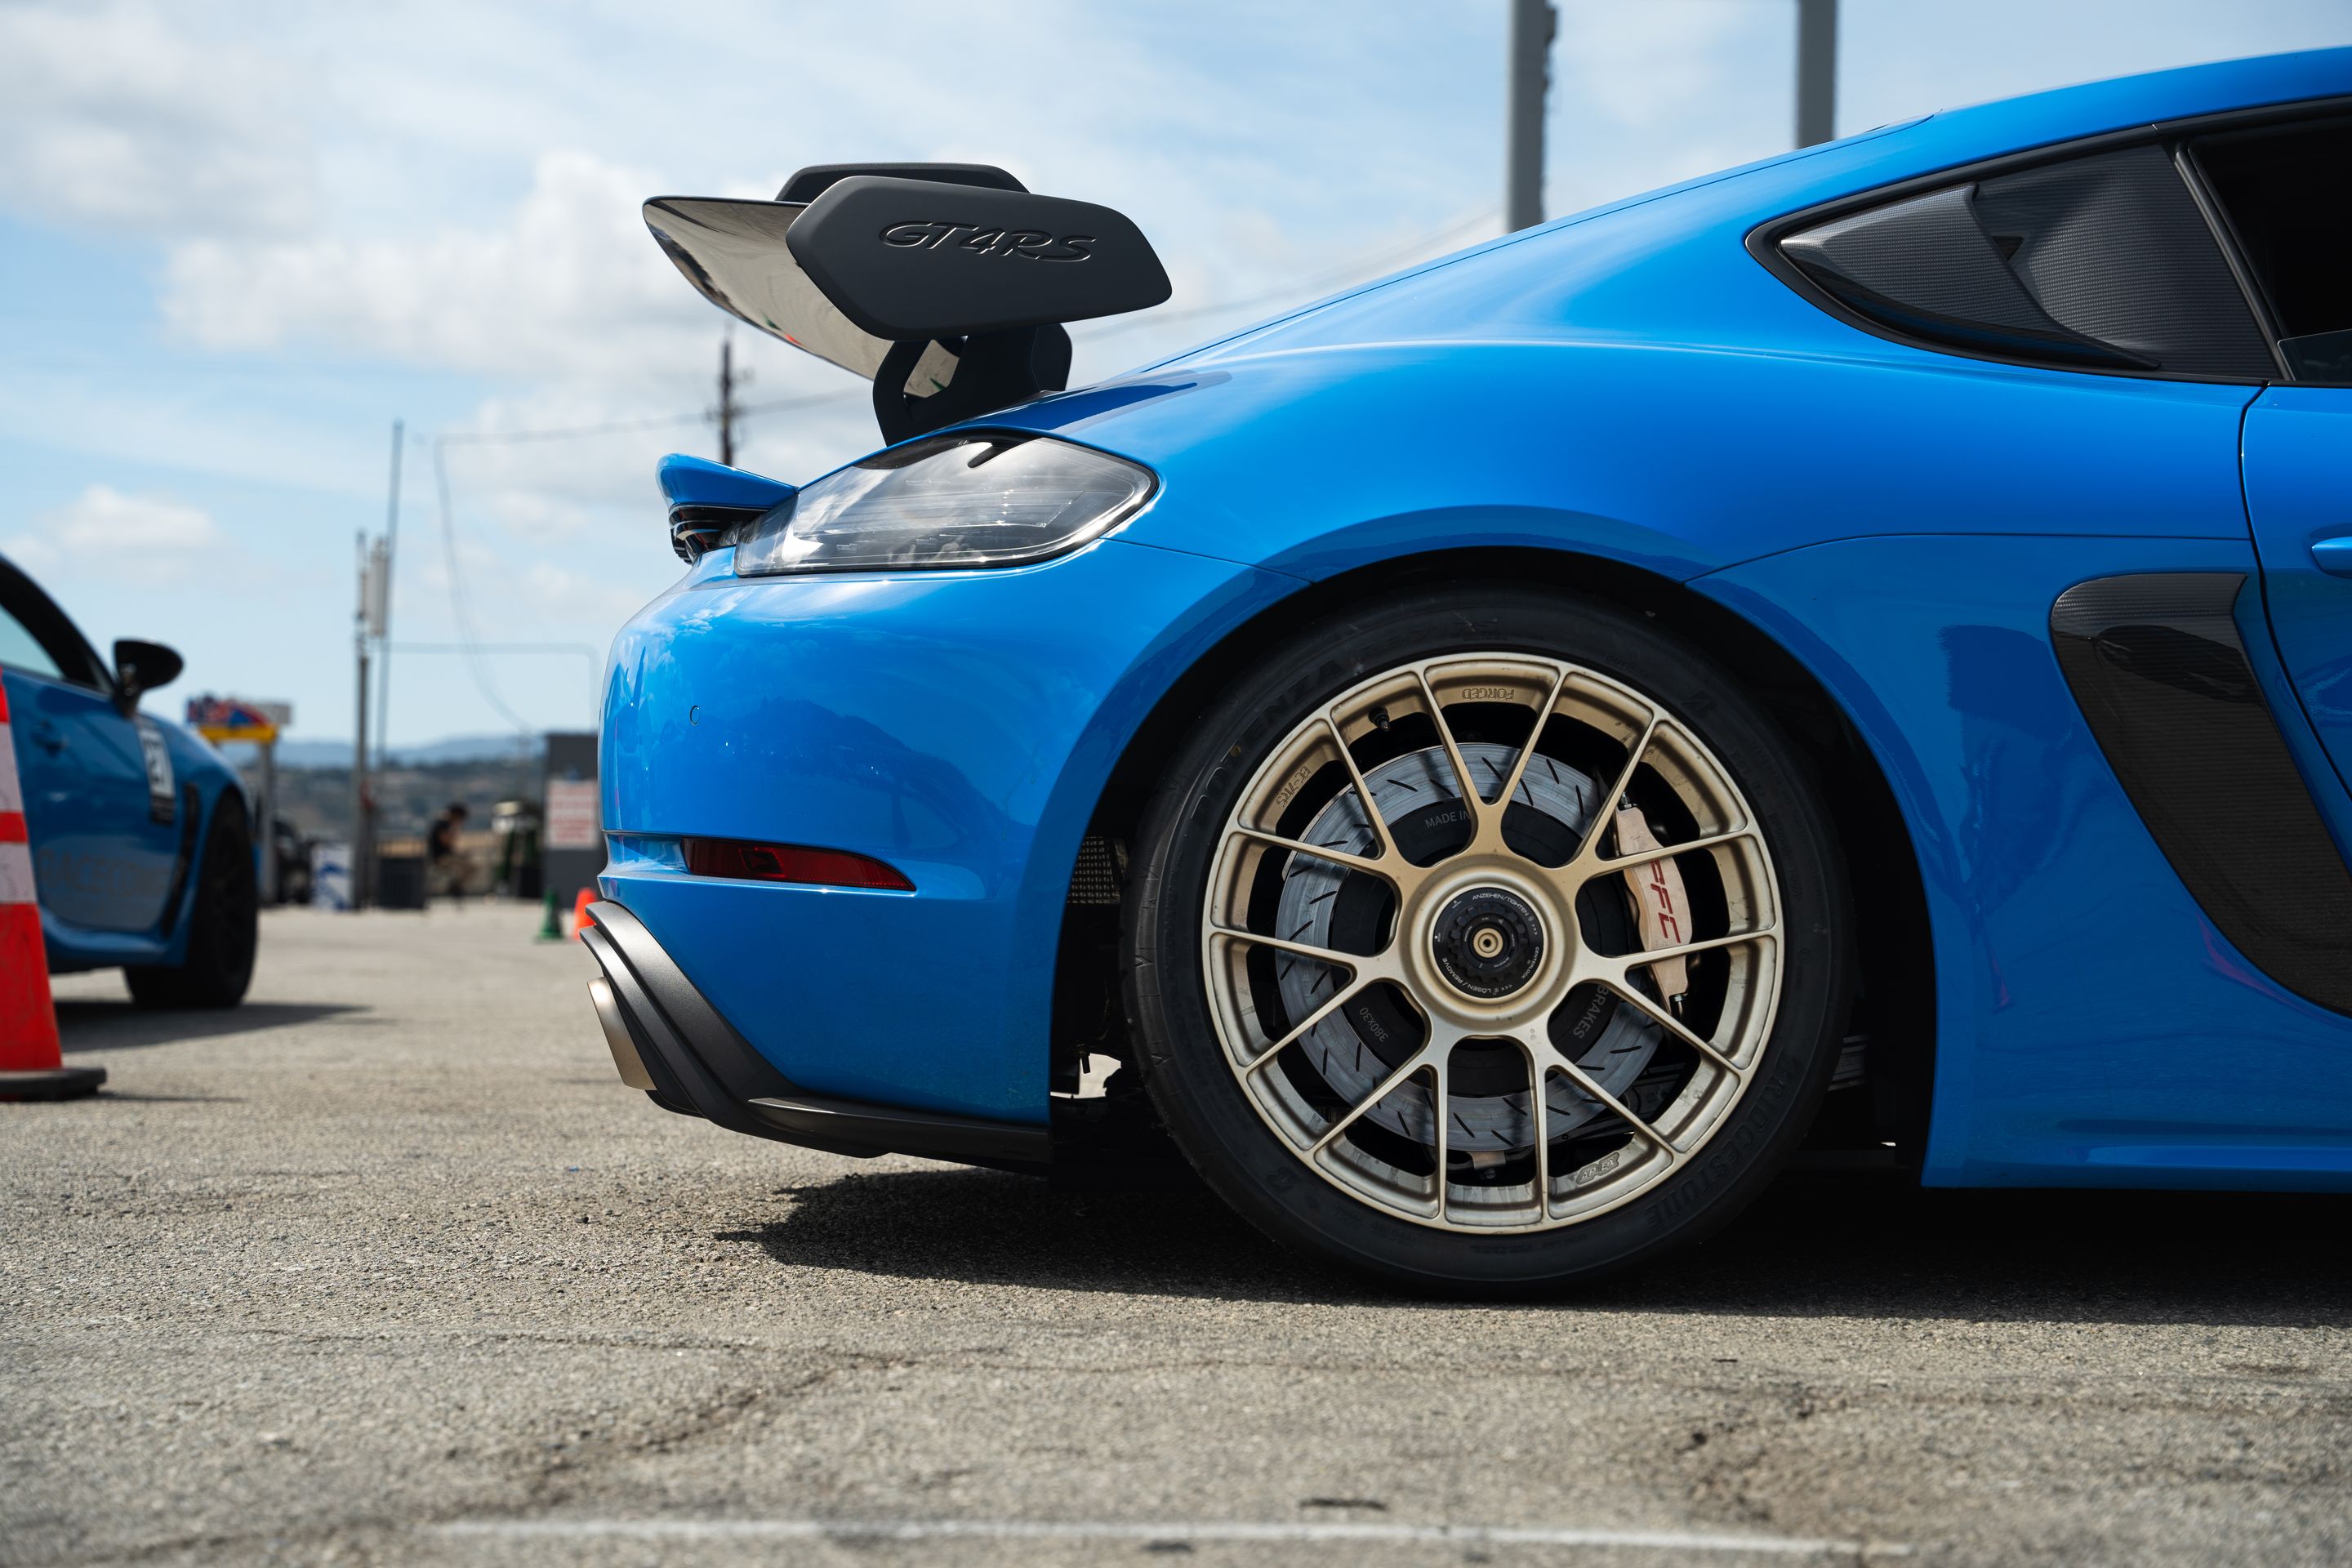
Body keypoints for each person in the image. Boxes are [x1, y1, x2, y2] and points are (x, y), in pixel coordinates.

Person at [426, 801, 475, 902]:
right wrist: (456, 828)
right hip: (441, 858)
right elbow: (446, 841)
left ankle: (455, 887)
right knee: (471, 867)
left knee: (469, 865)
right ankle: (454, 888)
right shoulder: (443, 823)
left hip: (446, 856)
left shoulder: (445, 823)